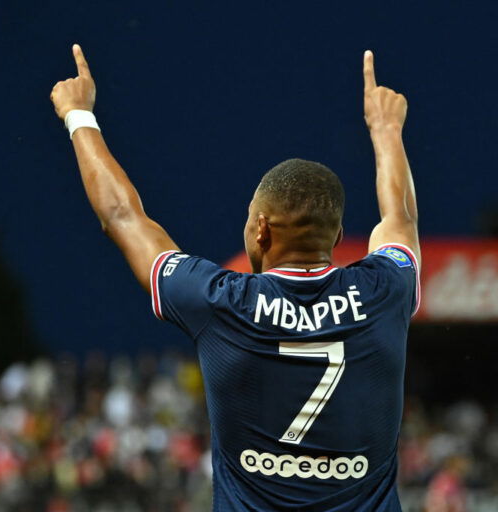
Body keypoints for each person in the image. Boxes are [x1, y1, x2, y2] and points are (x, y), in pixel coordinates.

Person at [50, 45, 420, 511]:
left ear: (261, 228)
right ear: (340, 234)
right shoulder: (386, 290)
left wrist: (78, 114)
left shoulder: (221, 302)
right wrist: (386, 129)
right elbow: (400, 218)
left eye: (249, 217)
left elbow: (122, 216)